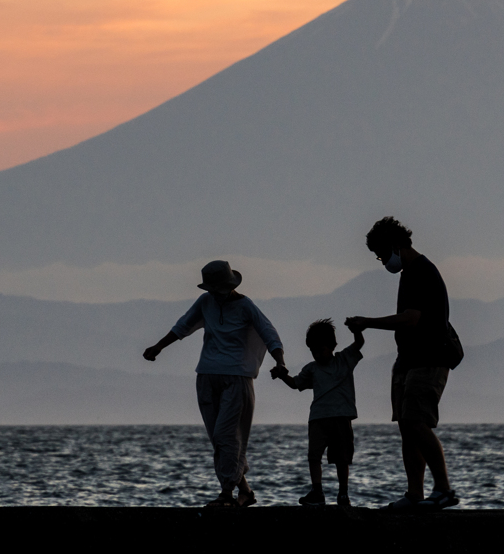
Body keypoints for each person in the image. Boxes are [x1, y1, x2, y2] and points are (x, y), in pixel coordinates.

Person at [143, 260, 285, 508]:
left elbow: (269, 334)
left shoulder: (245, 306)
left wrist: (280, 362)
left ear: (230, 286)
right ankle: (245, 492)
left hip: (236, 377)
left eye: (219, 289)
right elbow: (182, 326)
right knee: (218, 439)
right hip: (207, 376)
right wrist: (158, 346)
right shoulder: (205, 302)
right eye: (212, 289)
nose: (215, 294)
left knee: (225, 435)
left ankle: (226, 494)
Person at [345, 217, 459, 510]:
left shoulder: (422, 271)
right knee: (408, 428)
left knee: (416, 422)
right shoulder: (408, 274)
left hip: (428, 359)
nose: (383, 261)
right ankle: (414, 494)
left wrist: (367, 322)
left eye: (382, 254)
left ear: (396, 245)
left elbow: (411, 319)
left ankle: (443, 490)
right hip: (407, 361)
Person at [271, 318, 365, 507]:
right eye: (313, 352)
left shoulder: (344, 360)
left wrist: (356, 330)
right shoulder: (311, 369)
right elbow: (295, 384)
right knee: (314, 456)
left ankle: (343, 494)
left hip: (341, 418)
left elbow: (359, 343)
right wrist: (282, 375)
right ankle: (317, 492)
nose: (317, 355)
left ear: (332, 346)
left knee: (342, 459)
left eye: (321, 350)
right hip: (318, 419)